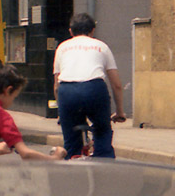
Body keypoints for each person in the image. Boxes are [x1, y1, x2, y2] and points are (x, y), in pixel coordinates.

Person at [53, 13, 126, 159]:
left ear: (70, 31)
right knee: (102, 130)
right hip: (94, 89)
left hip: (67, 92)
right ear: (93, 30)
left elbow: (56, 86)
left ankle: (72, 168)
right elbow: (116, 84)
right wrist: (119, 112)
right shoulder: (101, 46)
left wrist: (62, 113)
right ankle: (104, 165)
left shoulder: (62, 48)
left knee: (71, 141)